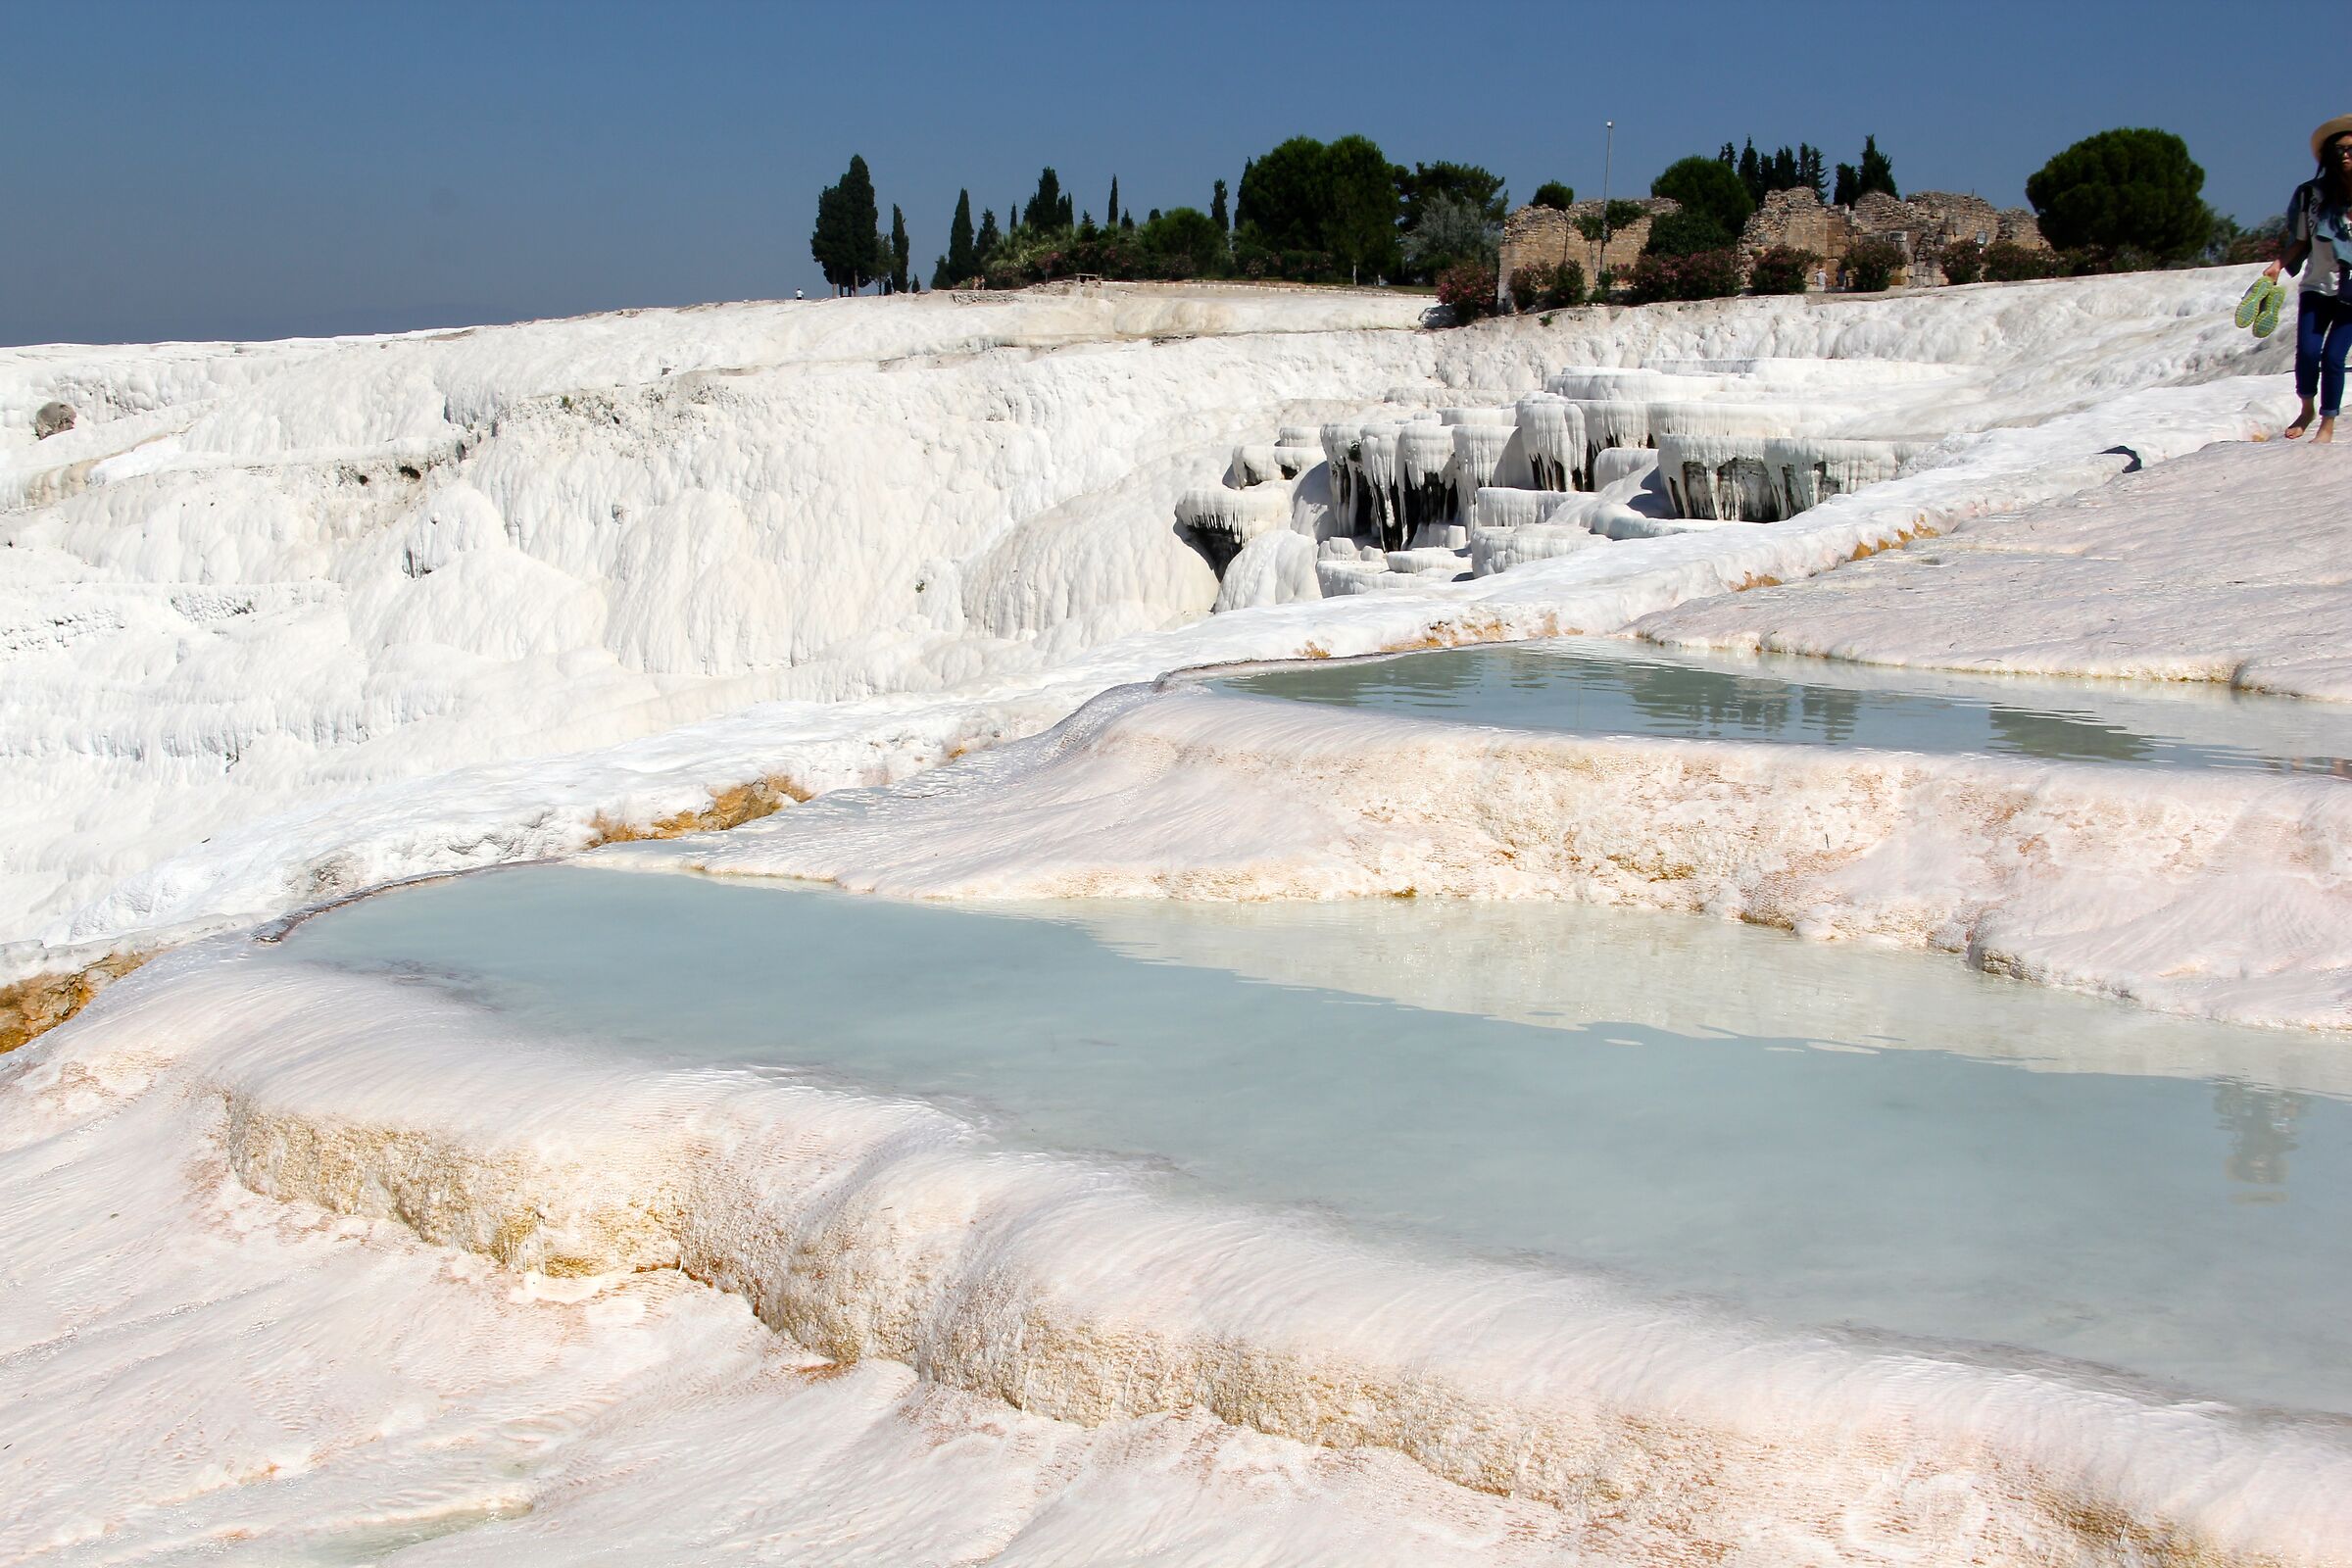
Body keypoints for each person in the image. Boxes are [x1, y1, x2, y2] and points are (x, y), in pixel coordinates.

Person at [2267, 115, 2352, 443]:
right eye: (2339, 150)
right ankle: (2306, 409)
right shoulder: (2311, 196)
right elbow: (2301, 241)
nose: (2345, 155)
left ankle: (2327, 425)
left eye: (2351, 149)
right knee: (2307, 352)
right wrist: (2278, 265)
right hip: (2317, 286)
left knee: (2333, 358)